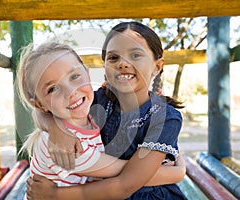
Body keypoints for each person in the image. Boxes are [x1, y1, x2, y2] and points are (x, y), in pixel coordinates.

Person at [26, 21, 188, 200]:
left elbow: (125, 184)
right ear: (104, 67)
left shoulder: (164, 117)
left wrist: (56, 195)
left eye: (135, 55)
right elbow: (43, 109)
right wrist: (56, 129)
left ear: (157, 67)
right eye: (113, 58)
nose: (123, 64)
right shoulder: (98, 100)